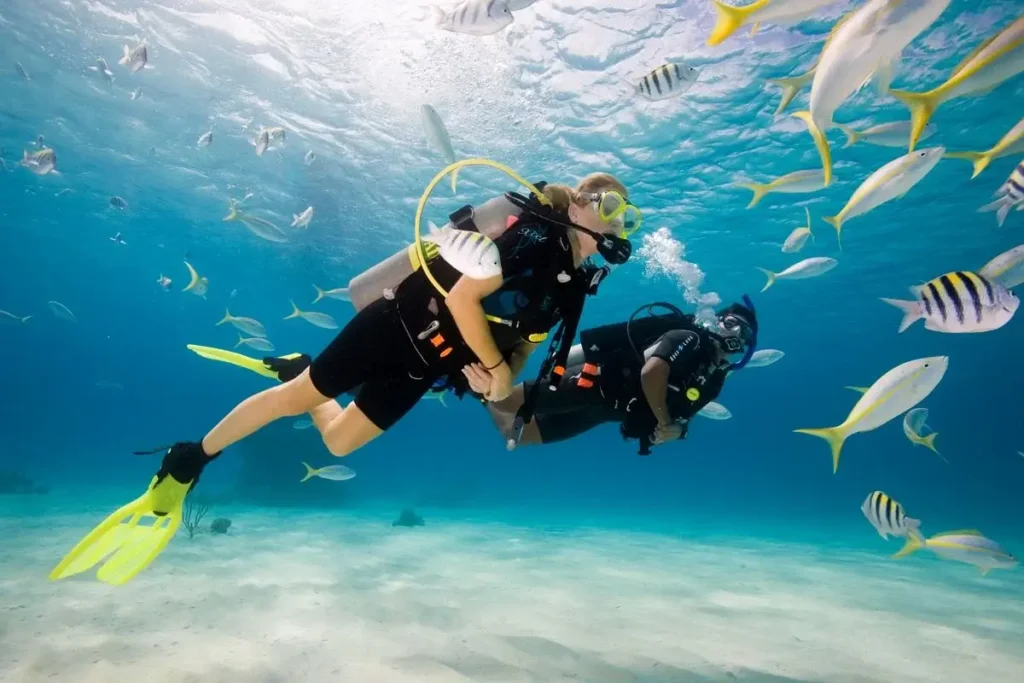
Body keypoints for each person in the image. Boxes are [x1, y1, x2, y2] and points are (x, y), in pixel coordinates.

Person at [155, 174, 642, 490]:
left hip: (426, 368)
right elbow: (461, 298)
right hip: (397, 325)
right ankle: (197, 454)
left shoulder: (570, 288)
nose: (617, 222)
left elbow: (522, 354)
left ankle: (307, 371)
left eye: (626, 219)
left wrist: (497, 382)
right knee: (293, 399)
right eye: (611, 207)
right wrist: (494, 368)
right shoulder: (536, 238)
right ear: (578, 203)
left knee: (339, 444)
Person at [485, 299, 758, 454]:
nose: (735, 334)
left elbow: (686, 416)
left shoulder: (715, 379)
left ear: (746, 347)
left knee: (520, 435)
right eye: (731, 324)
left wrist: (676, 431)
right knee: (503, 402)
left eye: (743, 334)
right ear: (716, 322)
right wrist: (663, 420)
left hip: (605, 412)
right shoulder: (689, 338)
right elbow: (653, 371)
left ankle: (488, 389)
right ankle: (482, 379)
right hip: (594, 383)